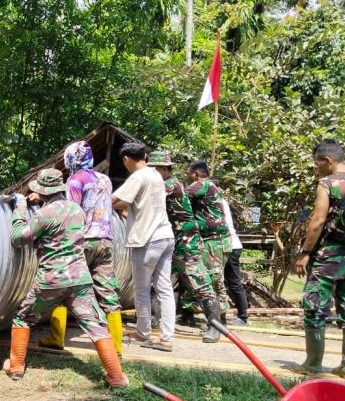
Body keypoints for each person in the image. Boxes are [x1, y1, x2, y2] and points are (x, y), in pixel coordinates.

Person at [6, 168, 128, 388]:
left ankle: (15, 367)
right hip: (79, 281)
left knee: (23, 316)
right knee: (95, 324)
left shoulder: (44, 214)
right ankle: (116, 377)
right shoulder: (76, 210)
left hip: (51, 281)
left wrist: (20, 210)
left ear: (42, 192)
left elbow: (18, 238)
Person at [292, 140, 345, 379]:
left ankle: (313, 364)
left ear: (327, 161)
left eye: (317, 164)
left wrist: (305, 252)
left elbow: (317, 221)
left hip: (327, 256)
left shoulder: (327, 183)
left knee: (315, 308)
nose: (316, 170)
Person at [38, 140, 123, 353]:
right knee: (107, 291)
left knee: (64, 286)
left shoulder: (74, 181)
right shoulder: (104, 179)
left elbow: (72, 212)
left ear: (70, 159)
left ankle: (57, 338)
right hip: (105, 240)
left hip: (82, 241)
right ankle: (117, 346)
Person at [147, 150, 222, 343]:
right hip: (171, 240)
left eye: (154, 169)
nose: (151, 173)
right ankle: (154, 319)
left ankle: (215, 327)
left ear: (164, 169)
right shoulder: (164, 184)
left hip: (186, 241)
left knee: (199, 282)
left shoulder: (170, 185)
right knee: (158, 279)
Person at [112, 142, 176, 351]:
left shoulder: (138, 176)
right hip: (165, 236)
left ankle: (144, 333)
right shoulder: (156, 175)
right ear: (145, 156)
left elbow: (115, 200)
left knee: (141, 289)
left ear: (126, 159)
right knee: (164, 288)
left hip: (147, 240)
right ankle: (167, 338)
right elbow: (135, 202)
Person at [186, 161, 231, 321]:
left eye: (188, 173)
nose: (187, 177)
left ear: (195, 174)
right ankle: (214, 317)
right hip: (214, 240)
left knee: (214, 278)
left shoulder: (202, 185)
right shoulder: (209, 187)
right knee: (211, 278)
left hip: (214, 241)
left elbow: (180, 194)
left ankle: (219, 319)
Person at [221, 198, 249, 326]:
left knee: (234, 282)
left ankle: (243, 317)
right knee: (230, 282)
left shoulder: (216, 201)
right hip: (230, 245)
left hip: (230, 246)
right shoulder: (221, 200)